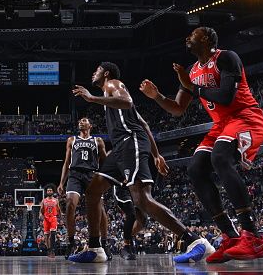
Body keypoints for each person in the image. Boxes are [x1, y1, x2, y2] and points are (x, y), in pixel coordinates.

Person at [140, 26, 263, 262]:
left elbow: (225, 97)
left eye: (194, 34)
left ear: (208, 39)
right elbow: (178, 109)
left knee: (220, 158)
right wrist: (157, 96)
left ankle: (252, 236)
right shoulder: (191, 70)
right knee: (196, 169)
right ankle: (230, 236)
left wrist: (192, 87)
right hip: (221, 124)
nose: (188, 36)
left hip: (246, 117)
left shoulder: (226, 57)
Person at [70, 62, 210, 263]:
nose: (94, 72)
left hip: (130, 142)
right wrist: (156, 154)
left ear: (106, 73)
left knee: (142, 199)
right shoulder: (110, 96)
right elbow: (143, 122)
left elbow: (126, 102)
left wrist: (91, 98)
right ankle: (95, 248)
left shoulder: (113, 84)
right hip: (120, 148)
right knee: (93, 191)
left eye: (97, 69)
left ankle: (194, 241)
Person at [57, 117, 115, 260]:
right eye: (80, 121)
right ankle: (71, 242)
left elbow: (105, 162)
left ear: (90, 125)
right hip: (75, 174)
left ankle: (104, 243)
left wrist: (105, 179)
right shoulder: (72, 140)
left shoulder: (98, 141)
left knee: (100, 210)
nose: (81, 122)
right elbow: (66, 162)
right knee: (70, 205)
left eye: (85, 120)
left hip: (92, 175)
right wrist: (61, 182)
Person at [39, 185, 61, 258]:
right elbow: (41, 210)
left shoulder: (56, 200)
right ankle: (48, 250)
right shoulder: (44, 200)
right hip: (46, 219)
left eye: (50, 190)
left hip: (53, 218)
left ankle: (52, 250)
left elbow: (59, 209)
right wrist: (40, 215)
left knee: (53, 233)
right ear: (46, 192)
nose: (49, 191)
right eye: (48, 190)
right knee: (46, 236)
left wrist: (61, 217)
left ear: (53, 191)